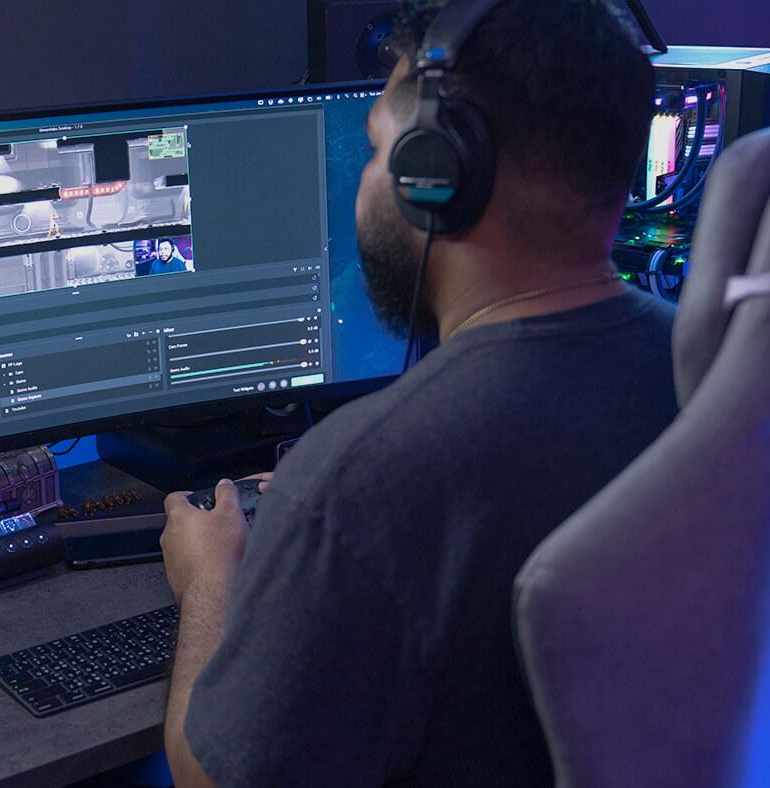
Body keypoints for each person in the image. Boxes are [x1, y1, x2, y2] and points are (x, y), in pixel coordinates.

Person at [159, 1, 676, 785]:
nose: (365, 185)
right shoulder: (719, 373)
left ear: (439, 177)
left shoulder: (362, 477)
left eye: (377, 151)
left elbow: (212, 778)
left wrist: (209, 584)